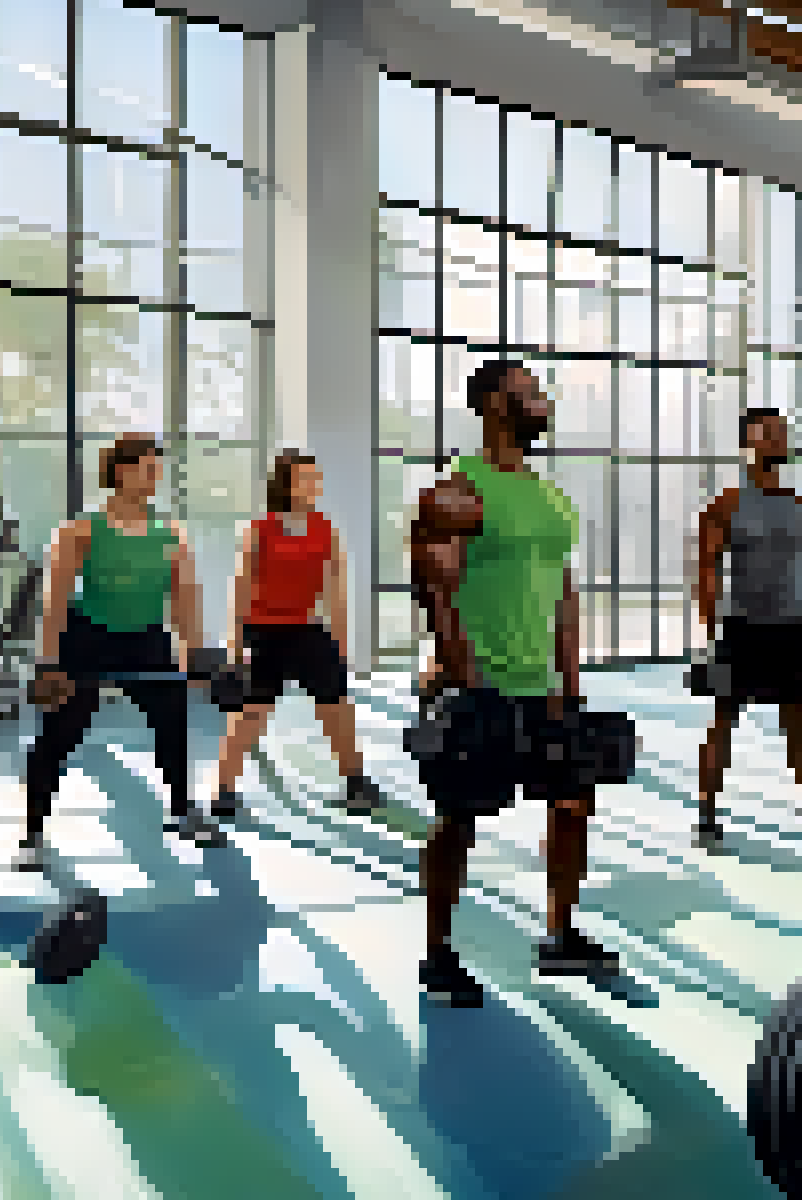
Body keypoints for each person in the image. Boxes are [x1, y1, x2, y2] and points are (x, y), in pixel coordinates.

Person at [409, 361, 618, 1006]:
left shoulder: (552, 496)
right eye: (531, 395)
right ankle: (439, 953)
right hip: (484, 686)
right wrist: (461, 672)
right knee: (458, 822)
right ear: (497, 404)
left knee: (573, 807)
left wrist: (571, 678)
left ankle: (559, 934)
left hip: (545, 686)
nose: (543, 404)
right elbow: (433, 585)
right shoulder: (459, 491)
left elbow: (562, 588)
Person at [21, 434, 210, 867]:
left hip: (146, 638)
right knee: (59, 734)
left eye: (157, 467)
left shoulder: (171, 535)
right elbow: (55, 600)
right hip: (88, 635)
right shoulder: (80, 530)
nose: (155, 474)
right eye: (147, 466)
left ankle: (183, 810)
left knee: (173, 722)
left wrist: (195, 655)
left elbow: (184, 600)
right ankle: (32, 832)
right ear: (120, 471)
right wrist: (48, 662)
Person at [694, 407, 802, 846]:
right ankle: (706, 815)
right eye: (769, 434)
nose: (778, 441)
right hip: (741, 628)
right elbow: (706, 568)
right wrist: (709, 633)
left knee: (797, 719)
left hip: (791, 629)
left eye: (781, 434)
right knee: (723, 720)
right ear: (748, 443)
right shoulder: (724, 506)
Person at [206, 451, 381, 822]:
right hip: (263, 631)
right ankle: (223, 789)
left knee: (336, 706)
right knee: (249, 713)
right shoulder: (258, 529)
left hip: (307, 630)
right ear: (284, 485)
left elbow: (335, 590)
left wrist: (340, 642)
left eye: (316, 478)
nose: (314, 485)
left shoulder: (326, 530)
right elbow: (240, 586)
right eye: (305, 479)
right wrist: (235, 644)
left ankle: (355, 781)